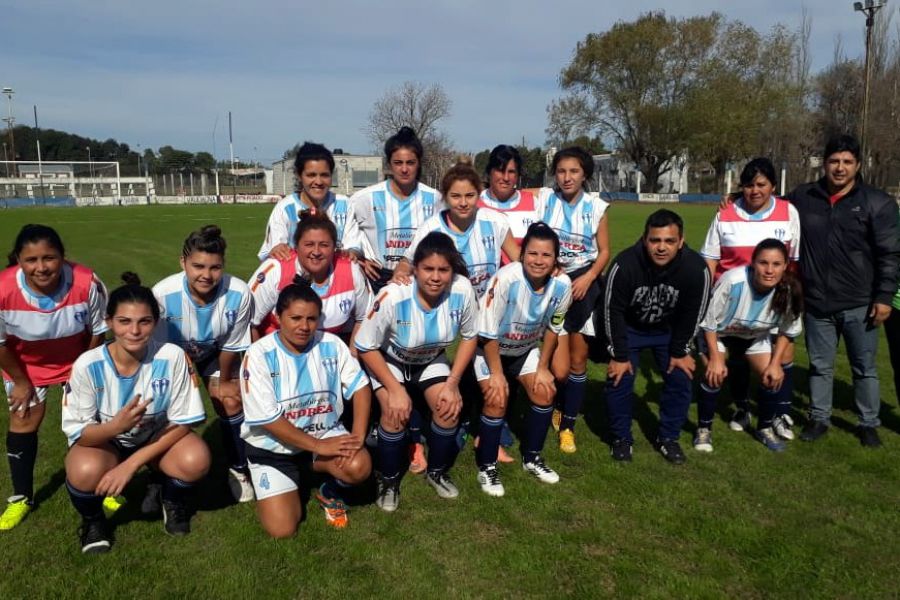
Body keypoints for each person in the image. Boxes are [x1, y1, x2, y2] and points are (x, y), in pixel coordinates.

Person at [62, 274, 210, 553]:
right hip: (107, 442)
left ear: (156, 322)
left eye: (144, 321)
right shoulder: (87, 364)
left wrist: (131, 465)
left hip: (157, 437)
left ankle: (171, 498)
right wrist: (115, 427)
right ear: (109, 322)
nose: (134, 331)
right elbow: (79, 432)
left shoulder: (172, 356)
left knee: (196, 459)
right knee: (83, 470)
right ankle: (93, 521)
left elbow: (185, 421)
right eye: (124, 322)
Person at [391, 160, 518, 469]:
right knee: (432, 372)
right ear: (446, 197)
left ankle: (485, 434)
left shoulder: (495, 221)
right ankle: (424, 437)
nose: (463, 203)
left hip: (486, 315)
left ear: (479, 195)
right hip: (442, 314)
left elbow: (518, 261)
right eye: (456, 196)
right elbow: (408, 263)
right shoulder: (432, 228)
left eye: (470, 195)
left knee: (485, 378)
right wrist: (399, 276)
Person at [788, 135, 899, 447]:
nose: (840, 168)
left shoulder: (877, 203)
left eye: (847, 162)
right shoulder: (804, 196)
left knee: (864, 368)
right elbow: (769, 204)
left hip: (859, 303)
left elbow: (890, 255)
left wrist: (883, 297)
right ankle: (819, 418)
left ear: (858, 165)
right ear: (824, 164)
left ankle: (868, 423)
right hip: (817, 303)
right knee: (820, 366)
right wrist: (736, 196)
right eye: (834, 161)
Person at [355, 232, 478, 512]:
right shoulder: (393, 295)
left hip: (430, 358)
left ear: (452, 270)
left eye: (443, 270)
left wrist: (453, 383)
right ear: (415, 268)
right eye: (428, 269)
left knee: (448, 409)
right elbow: (365, 346)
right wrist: (395, 390)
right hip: (390, 360)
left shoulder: (462, 290)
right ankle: (388, 479)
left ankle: (436, 472)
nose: (435, 277)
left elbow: (470, 336)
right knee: (394, 413)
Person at [241, 282, 372, 536]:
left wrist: (357, 436)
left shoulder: (332, 344)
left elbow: (361, 387)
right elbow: (268, 420)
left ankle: (329, 491)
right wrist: (320, 447)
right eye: (296, 318)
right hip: (272, 449)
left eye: (312, 319)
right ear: (278, 317)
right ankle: (284, 477)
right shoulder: (258, 354)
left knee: (359, 465)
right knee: (283, 530)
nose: (304, 326)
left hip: (323, 436)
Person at [0, 224, 108, 531]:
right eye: (31, 260)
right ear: (18, 260)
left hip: (76, 360)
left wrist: (83, 371)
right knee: (23, 419)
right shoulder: (2, 289)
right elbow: (0, 344)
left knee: (91, 421)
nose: (41, 267)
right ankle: (21, 497)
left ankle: (104, 484)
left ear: (62, 257)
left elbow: (99, 331)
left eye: (49, 258)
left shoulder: (87, 282)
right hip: (25, 366)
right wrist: (22, 383)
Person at [152, 226, 254, 503]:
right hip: (171, 357)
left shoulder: (240, 292)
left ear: (223, 266)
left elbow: (232, 344)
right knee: (163, 410)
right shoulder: (161, 295)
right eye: (198, 266)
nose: (206, 275)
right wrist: (186, 384)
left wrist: (225, 381)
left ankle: (239, 469)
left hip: (214, 351)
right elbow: (158, 353)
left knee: (231, 399)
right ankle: (158, 476)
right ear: (182, 262)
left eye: (215, 267)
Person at [702, 158, 801, 437]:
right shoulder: (726, 213)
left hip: (774, 300)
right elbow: (710, 258)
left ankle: (779, 413)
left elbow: (793, 260)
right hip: (731, 301)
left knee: (781, 355)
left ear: (773, 186)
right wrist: (708, 298)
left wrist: (789, 297)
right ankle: (742, 407)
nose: (754, 191)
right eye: (748, 185)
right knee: (736, 355)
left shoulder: (788, 212)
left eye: (761, 184)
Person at [601, 209, 711, 464]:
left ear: (681, 242)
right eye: (655, 240)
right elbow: (611, 310)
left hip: (668, 331)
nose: (661, 248)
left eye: (669, 241)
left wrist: (680, 351)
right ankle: (621, 438)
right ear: (644, 239)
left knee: (681, 377)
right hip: (630, 329)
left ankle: (668, 437)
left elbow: (694, 313)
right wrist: (619, 354)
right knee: (619, 378)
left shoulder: (696, 269)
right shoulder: (625, 264)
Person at [474, 223, 571, 496]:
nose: (538, 261)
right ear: (522, 254)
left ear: (556, 259)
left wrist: (542, 368)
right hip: (490, 351)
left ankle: (532, 458)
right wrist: (496, 374)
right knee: (496, 397)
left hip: (525, 350)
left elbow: (554, 327)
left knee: (545, 390)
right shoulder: (506, 279)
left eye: (546, 255)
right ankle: (487, 467)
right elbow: (487, 333)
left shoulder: (563, 285)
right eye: (532, 253)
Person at [696, 239, 803, 452]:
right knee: (714, 375)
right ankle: (704, 429)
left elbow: (786, 332)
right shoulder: (733, 280)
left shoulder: (789, 290)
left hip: (755, 337)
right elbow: (709, 323)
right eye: (763, 263)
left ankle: (764, 428)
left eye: (776, 264)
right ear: (753, 263)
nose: (769, 270)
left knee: (772, 377)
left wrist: (775, 363)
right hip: (719, 334)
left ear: (785, 266)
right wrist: (716, 359)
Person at [539, 146, 610, 453]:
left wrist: (589, 276)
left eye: (574, 171)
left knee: (578, 362)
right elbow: (507, 194)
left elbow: (605, 251)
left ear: (585, 175)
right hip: (553, 285)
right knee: (560, 369)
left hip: (583, 285)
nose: (567, 178)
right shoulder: (544, 199)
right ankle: (555, 403)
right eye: (561, 171)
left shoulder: (596, 206)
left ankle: (568, 424)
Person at [249, 213, 371, 349]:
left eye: (324, 245)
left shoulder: (351, 269)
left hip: (327, 355)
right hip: (275, 352)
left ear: (335, 247)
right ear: (296, 246)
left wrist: (352, 357)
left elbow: (364, 318)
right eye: (309, 244)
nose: (316, 252)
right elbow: (249, 322)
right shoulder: (275, 269)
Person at [349, 127, 444, 292]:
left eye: (410, 163)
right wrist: (357, 259)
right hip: (377, 280)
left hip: (418, 280)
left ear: (419, 163)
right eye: (398, 163)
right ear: (389, 164)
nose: (404, 169)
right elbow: (343, 236)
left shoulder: (434, 198)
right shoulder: (364, 198)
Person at [257, 142, 362, 261]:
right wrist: (277, 250)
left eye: (324, 175)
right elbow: (273, 254)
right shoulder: (285, 208)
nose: (318, 181)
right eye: (311, 175)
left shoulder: (344, 204)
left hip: (337, 277)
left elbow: (354, 247)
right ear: (299, 175)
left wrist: (353, 253)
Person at [477, 144, 538, 263]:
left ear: (518, 176)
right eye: (500, 170)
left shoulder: (533, 204)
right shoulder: (474, 205)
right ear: (489, 172)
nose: (505, 177)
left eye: (511, 172)